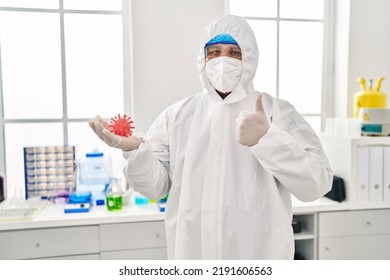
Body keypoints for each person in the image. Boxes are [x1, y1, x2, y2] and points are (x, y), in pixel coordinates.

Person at [89, 15, 333, 259]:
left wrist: (268, 140)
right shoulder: (178, 116)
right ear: (203, 58)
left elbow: (316, 184)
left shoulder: (276, 112)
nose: (223, 60)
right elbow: (155, 186)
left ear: (249, 57)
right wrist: (135, 150)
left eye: (233, 52)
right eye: (214, 52)